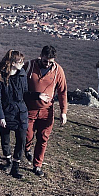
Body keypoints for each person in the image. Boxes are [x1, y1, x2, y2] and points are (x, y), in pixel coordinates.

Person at [0, 49, 38, 179]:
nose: (23, 64)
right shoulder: (0, 77)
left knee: (21, 139)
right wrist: (1, 116)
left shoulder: (22, 74)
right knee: (5, 139)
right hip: (6, 112)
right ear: (12, 63)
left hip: (21, 112)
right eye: (20, 61)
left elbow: (25, 94)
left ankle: (15, 167)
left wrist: (38, 95)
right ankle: (8, 161)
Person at [24, 45, 68, 177]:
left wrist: (63, 111)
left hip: (46, 111)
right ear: (40, 57)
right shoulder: (30, 66)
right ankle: (27, 148)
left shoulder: (58, 71)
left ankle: (37, 165)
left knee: (43, 137)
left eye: (50, 62)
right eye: (45, 61)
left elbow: (62, 92)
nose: (47, 64)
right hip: (29, 109)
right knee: (27, 135)